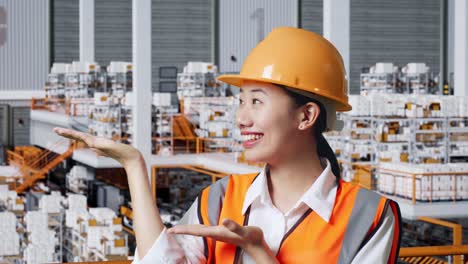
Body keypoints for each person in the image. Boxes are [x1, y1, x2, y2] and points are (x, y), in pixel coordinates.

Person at [55, 27, 401, 264]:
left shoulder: (368, 216)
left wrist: (258, 252)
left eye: (256, 101)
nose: (241, 118)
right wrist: (133, 166)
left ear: (306, 115)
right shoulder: (220, 199)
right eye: (240, 101)